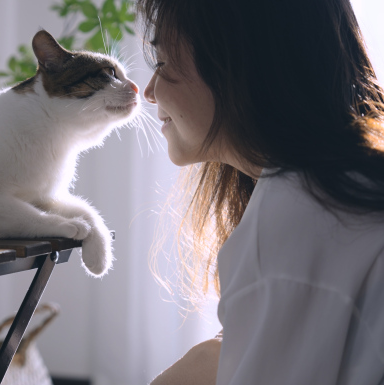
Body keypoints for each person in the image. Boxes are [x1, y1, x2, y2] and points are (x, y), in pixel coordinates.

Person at [136, 0, 384, 383]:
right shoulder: (342, 185)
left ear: (234, 64)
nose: (149, 92)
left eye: (163, 63)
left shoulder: (296, 216)